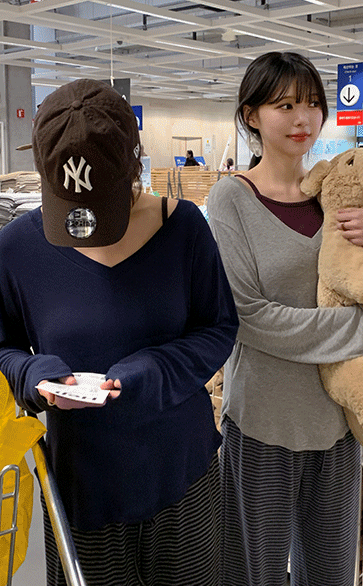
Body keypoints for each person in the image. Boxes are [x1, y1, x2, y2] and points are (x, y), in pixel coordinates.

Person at [0, 79, 238, 586]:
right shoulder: (17, 248)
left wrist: (152, 370)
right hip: (83, 484)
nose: (85, 224)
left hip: (181, 474)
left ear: (134, 164)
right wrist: (35, 375)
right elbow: (4, 347)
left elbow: (218, 327)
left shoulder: (183, 228)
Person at [207, 51, 363, 586]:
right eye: (284, 106)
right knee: (252, 575)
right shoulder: (231, 199)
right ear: (252, 115)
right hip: (263, 424)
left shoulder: (339, 194)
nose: (302, 119)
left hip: (338, 421)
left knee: (329, 575)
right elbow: (252, 318)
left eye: (311, 104)